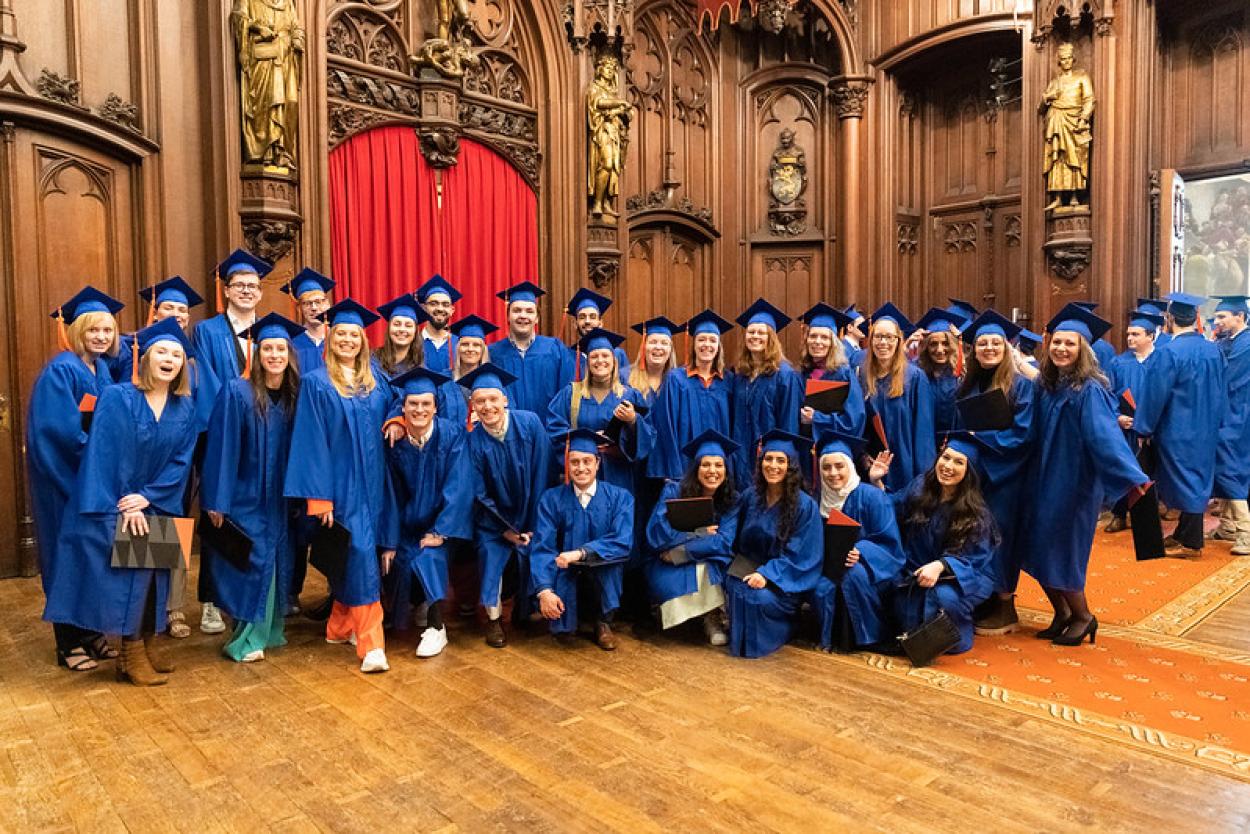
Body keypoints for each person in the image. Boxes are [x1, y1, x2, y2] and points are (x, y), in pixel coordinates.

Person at [42, 317, 199, 686]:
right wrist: (126, 502)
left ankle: (147, 644)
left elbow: (181, 461)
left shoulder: (185, 406)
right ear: (145, 358)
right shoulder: (118, 397)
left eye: (176, 355)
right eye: (161, 352)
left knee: (157, 577)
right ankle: (130, 653)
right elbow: (104, 452)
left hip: (157, 499)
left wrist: (148, 496)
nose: (169, 359)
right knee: (132, 579)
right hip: (119, 501)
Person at [1017, 304, 1149, 646]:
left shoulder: (1089, 389)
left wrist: (1132, 477)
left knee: (1063, 552)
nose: (1061, 348)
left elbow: (1104, 438)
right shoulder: (1048, 385)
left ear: (1083, 350)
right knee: (1036, 547)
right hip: (1042, 479)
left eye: (1070, 343)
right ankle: (1061, 612)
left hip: (1073, 483)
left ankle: (1083, 616)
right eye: (1057, 342)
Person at [284, 299, 396, 674]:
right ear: (331, 339)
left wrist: (397, 420)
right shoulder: (317, 382)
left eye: (354, 334)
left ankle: (338, 625)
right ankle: (372, 645)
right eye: (341, 334)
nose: (348, 340)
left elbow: (399, 402)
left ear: (363, 340)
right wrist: (319, 498)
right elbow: (310, 441)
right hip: (342, 486)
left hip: (376, 484)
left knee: (356, 553)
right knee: (361, 556)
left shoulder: (375, 379)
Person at [28, 287, 123, 672]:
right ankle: (67, 643)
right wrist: (99, 460)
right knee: (67, 558)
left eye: (107, 330)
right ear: (78, 330)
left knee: (95, 558)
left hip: (94, 482)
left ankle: (93, 633)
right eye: (93, 329)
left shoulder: (101, 369)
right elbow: (59, 433)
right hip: (65, 482)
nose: (101, 336)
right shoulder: (61, 370)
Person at [124, 275, 224, 639]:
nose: (178, 314)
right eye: (169, 307)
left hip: (180, 460)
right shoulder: (134, 349)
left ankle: (172, 606)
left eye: (183, 310)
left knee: (174, 528)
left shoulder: (191, 360)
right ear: (154, 311)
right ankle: (135, 618)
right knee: (138, 530)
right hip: (139, 460)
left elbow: (210, 410)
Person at [200, 313, 302, 663]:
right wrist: (217, 500)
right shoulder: (237, 391)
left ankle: (269, 630)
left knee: (275, 561)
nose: (274, 355)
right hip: (245, 495)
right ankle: (245, 639)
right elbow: (221, 449)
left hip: (280, 498)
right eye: (267, 349)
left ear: (289, 354)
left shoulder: (294, 394)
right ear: (256, 354)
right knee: (252, 563)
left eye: (280, 349)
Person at [949, 311, 1037, 635]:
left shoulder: (1020, 386)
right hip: (975, 476)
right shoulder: (968, 385)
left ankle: (1004, 604)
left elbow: (1023, 435)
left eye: (995, 343)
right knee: (975, 534)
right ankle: (984, 596)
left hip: (1006, 477)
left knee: (1002, 537)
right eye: (983, 343)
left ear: (1006, 348)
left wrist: (980, 438)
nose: (988, 348)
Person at [379, 366, 473, 658]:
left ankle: (436, 626)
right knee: (394, 559)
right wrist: (390, 541)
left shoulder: (452, 435)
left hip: (442, 526)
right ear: (403, 407)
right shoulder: (394, 444)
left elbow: (459, 486)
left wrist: (441, 531)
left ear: (435, 407)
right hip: (407, 525)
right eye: (413, 403)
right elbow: (391, 495)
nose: (419, 409)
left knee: (430, 555)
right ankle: (405, 608)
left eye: (425, 404)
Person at [877, 433, 997, 655]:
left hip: (965, 576)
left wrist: (942, 565)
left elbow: (975, 559)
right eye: (945, 457)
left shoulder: (976, 513)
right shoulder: (921, 486)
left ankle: (951, 638)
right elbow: (893, 507)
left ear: (969, 472)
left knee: (943, 597)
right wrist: (877, 482)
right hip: (919, 567)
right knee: (899, 593)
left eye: (958, 462)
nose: (948, 466)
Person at [461, 363, 551, 648]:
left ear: (505, 399)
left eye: (493, 399)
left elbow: (543, 473)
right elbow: (477, 493)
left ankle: (528, 609)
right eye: (480, 401)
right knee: (490, 554)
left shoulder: (530, 424)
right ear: (473, 406)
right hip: (493, 523)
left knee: (538, 549)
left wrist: (534, 525)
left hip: (532, 515)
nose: (487, 407)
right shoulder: (472, 441)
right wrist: (504, 530)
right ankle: (494, 619)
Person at [1135, 292, 1228, 558]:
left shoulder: (1169, 352)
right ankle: (1184, 533)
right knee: (1197, 478)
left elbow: (1155, 395)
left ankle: (1192, 543)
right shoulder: (1213, 350)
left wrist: (1144, 427)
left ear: (1169, 319)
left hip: (1178, 427)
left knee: (1186, 482)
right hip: (1207, 426)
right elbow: (1223, 389)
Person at [531, 429, 635, 650]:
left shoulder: (620, 498)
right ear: (567, 465)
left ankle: (603, 622)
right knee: (556, 569)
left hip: (602, 575)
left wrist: (580, 553)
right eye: (574, 462)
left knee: (610, 564)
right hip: (566, 575)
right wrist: (545, 590)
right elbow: (542, 547)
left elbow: (622, 541)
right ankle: (565, 620)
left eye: (587, 461)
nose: (581, 468)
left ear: (598, 463)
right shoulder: (551, 499)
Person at [724, 429, 823, 658]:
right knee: (736, 585)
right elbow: (733, 535)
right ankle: (742, 642)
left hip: (783, 582)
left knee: (758, 597)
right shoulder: (750, 497)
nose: (773, 465)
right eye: (768, 459)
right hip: (747, 570)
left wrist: (767, 574)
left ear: (791, 466)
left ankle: (784, 630)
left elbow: (801, 554)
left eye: (781, 460)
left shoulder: (805, 506)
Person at [807, 430, 903, 653]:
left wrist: (861, 552)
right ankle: (830, 637)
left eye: (839, 466)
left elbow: (891, 545)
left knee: (852, 574)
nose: (833, 473)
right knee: (822, 586)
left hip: (872, 570)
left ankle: (871, 637)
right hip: (829, 567)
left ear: (850, 467)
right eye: (826, 467)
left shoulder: (872, 497)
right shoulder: (817, 501)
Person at [643, 430, 742, 645]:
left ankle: (711, 618)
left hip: (684, 558)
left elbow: (723, 542)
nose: (712, 471)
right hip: (665, 564)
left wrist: (679, 552)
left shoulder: (732, 500)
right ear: (696, 468)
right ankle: (684, 613)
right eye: (705, 465)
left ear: (726, 470)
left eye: (719, 465)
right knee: (695, 572)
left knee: (710, 567)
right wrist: (698, 533)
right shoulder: (674, 491)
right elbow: (657, 535)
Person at [546, 328, 654, 491]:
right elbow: (554, 431)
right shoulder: (571, 394)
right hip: (582, 473)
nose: (600, 360)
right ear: (587, 362)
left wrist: (633, 420)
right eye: (594, 356)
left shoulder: (630, 395)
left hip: (619, 476)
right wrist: (586, 441)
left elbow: (649, 436)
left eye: (605, 355)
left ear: (614, 360)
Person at [647, 309, 734, 481]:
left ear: (719, 346)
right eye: (701, 339)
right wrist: (672, 471)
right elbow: (666, 425)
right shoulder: (676, 379)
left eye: (712, 340)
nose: (706, 345)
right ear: (693, 344)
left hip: (718, 469)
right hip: (683, 466)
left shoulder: (729, 381)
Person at [860, 303, 936, 491]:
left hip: (905, 464)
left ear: (899, 340)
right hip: (871, 464)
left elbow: (924, 433)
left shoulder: (915, 378)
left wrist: (923, 480)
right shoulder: (861, 376)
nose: (883, 342)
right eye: (878, 336)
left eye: (889, 337)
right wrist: (861, 455)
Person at [729, 299, 804, 488]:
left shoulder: (785, 375)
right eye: (751, 332)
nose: (755, 336)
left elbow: (788, 425)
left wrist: (782, 459)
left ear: (771, 338)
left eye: (761, 333)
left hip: (770, 458)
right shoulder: (741, 375)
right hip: (741, 454)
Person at [1102, 309, 1162, 533]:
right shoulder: (1118, 363)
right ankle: (1119, 514)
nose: (1129, 338)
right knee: (1123, 468)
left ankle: (1147, 520)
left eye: (1135, 334)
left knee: (1151, 472)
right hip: (1126, 429)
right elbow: (1109, 394)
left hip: (1155, 430)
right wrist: (1117, 417)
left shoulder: (1163, 360)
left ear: (1150, 336)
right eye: (1128, 334)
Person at [488, 281, 576, 416]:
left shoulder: (555, 349)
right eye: (517, 310)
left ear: (537, 318)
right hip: (509, 427)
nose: (523, 316)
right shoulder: (493, 353)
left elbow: (566, 393)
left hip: (550, 427)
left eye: (529, 311)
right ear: (508, 316)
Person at [193, 248, 272, 385]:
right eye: (239, 285)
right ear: (226, 291)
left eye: (252, 286)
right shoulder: (206, 330)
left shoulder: (268, 331)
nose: (246, 291)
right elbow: (206, 380)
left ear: (260, 294)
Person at [1211, 296, 1250, 555]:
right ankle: (1227, 525)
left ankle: (1246, 531)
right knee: (1223, 464)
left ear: (1240, 316)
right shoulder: (1229, 341)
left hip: (1238, 414)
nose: (1218, 321)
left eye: (1222, 317)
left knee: (1229, 466)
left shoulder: (1246, 344)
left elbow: (1228, 377)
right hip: (1228, 411)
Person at [796, 302, 865, 440]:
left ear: (833, 343)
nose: (817, 342)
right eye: (813, 336)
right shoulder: (802, 374)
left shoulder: (844, 374)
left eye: (825, 337)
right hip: (804, 446)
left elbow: (854, 421)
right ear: (807, 340)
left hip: (834, 447)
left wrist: (817, 418)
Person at [911, 308, 967, 442]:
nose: (940, 350)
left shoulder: (963, 374)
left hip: (956, 443)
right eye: (933, 344)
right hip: (925, 441)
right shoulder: (916, 373)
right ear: (926, 347)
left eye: (946, 343)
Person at [440, 314, 498, 428]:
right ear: (458, 348)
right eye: (465, 344)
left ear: (483, 350)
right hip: (451, 438)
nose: (470, 349)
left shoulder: (494, 381)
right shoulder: (443, 381)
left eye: (476, 345)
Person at [565, 288, 630, 382]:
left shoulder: (618, 354)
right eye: (582, 317)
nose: (587, 321)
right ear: (575, 324)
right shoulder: (568, 357)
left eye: (592, 317)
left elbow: (626, 386)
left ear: (600, 323)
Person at [281, 268, 335, 373]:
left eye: (318, 302)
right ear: (299, 308)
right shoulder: (291, 343)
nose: (314, 308)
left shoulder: (338, 339)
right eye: (307, 303)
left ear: (327, 304)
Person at [372, 293, 427, 383]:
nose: (402, 329)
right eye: (397, 324)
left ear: (415, 331)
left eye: (408, 325)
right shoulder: (372, 361)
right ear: (389, 328)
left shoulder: (419, 368)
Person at [627, 316, 680, 408]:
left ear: (670, 350)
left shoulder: (678, 382)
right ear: (643, 347)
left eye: (664, 343)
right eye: (653, 342)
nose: (658, 347)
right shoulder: (625, 377)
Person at [416, 274, 461, 374]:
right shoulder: (412, 343)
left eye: (445, 305)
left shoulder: (460, 345)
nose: (440, 309)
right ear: (424, 308)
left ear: (452, 310)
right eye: (433, 304)